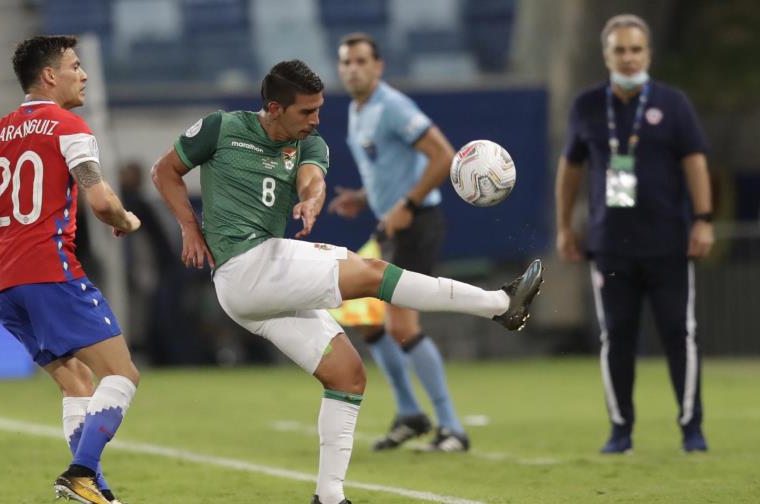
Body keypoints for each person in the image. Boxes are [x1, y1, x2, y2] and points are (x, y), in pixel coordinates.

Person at [151, 59, 543, 504]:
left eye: (319, 109)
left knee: (348, 376)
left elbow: (311, 180)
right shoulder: (221, 129)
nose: (317, 120)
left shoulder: (309, 144)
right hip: (244, 268)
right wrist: (187, 226)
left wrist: (312, 200)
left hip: (258, 282)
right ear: (275, 108)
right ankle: (499, 303)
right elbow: (164, 171)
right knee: (371, 273)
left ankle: (329, 497)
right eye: (306, 111)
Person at [0, 35, 141, 504]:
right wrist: (125, 219)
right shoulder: (69, 126)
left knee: (76, 382)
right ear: (50, 75)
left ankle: (95, 490)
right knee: (122, 375)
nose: (84, 74)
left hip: (3, 285)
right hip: (50, 271)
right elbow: (100, 200)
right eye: (75, 66)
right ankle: (81, 474)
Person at [555, 14, 714, 454]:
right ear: (606, 55)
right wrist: (566, 226)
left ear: (648, 53)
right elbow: (570, 168)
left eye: (636, 49)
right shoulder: (587, 105)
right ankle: (620, 430)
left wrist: (703, 218)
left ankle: (691, 428)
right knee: (616, 338)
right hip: (609, 246)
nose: (629, 58)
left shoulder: (674, 103)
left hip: (668, 243)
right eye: (620, 50)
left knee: (679, 335)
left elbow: (695, 162)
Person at [329, 32, 469, 452]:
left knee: (403, 326)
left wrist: (408, 202)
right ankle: (410, 414)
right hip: (390, 224)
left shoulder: (392, 106)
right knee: (368, 320)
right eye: (346, 62)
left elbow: (444, 155)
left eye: (360, 61)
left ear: (378, 66)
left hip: (417, 223)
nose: (353, 68)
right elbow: (388, 168)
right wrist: (364, 197)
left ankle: (452, 427)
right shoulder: (359, 110)